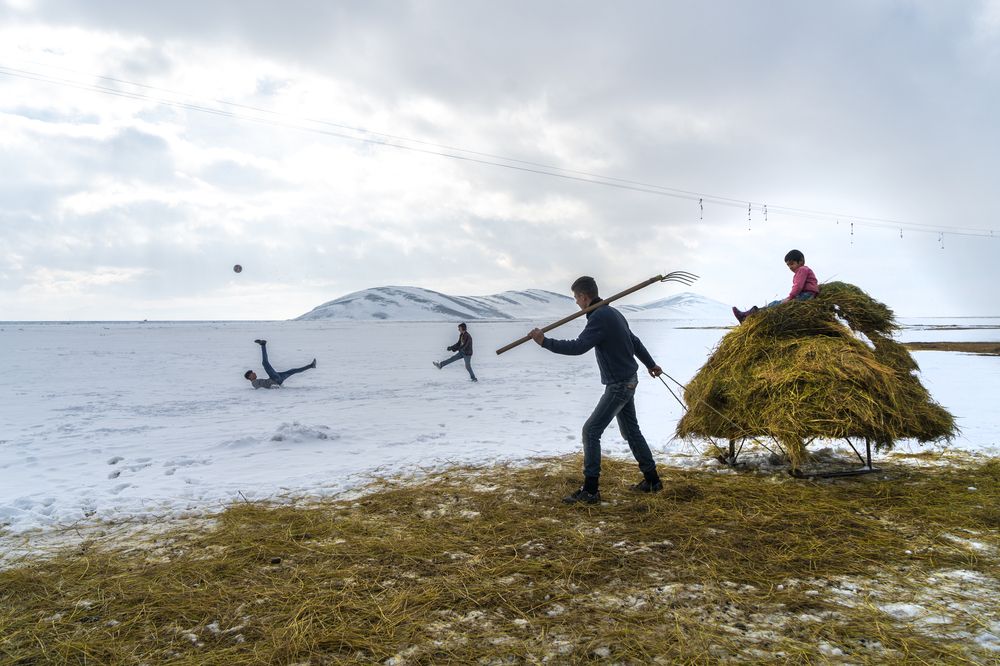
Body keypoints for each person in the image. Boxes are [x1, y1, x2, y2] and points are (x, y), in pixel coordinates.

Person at [528, 276, 664, 505]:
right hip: (628, 379)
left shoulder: (600, 316)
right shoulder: (612, 313)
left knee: (590, 431)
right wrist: (650, 364)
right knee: (631, 432)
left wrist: (544, 342)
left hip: (620, 385)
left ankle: (590, 491)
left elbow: (579, 347)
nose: (576, 303)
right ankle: (652, 480)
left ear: (583, 296)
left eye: (576, 298)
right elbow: (636, 342)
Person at [732, 249, 820, 323]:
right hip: (806, 295)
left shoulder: (802, 269)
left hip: (805, 296)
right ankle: (749, 315)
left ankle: (747, 315)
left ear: (801, 261)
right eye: (788, 265)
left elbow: (798, 286)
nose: (790, 267)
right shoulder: (805, 270)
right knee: (775, 303)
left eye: (792, 263)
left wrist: (790, 297)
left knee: (775, 304)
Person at [244, 339, 316, 389]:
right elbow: (263, 388)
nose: (254, 373)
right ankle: (263, 345)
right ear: (249, 377)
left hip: (278, 379)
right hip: (275, 379)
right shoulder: (254, 383)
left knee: (293, 371)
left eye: (253, 372)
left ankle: (311, 366)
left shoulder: (256, 382)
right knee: (265, 363)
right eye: (252, 373)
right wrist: (274, 386)